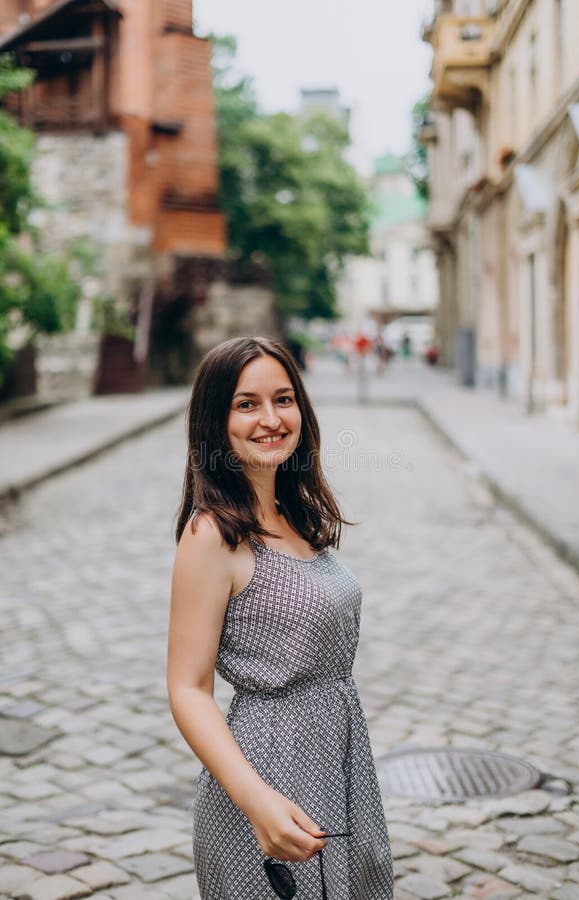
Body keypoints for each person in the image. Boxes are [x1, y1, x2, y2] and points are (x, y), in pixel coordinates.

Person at [168, 336, 394, 899]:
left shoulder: (293, 512)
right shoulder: (211, 533)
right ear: (215, 422)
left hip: (340, 758)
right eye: (246, 404)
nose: (271, 418)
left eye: (283, 399)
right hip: (268, 773)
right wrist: (257, 801)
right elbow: (188, 688)